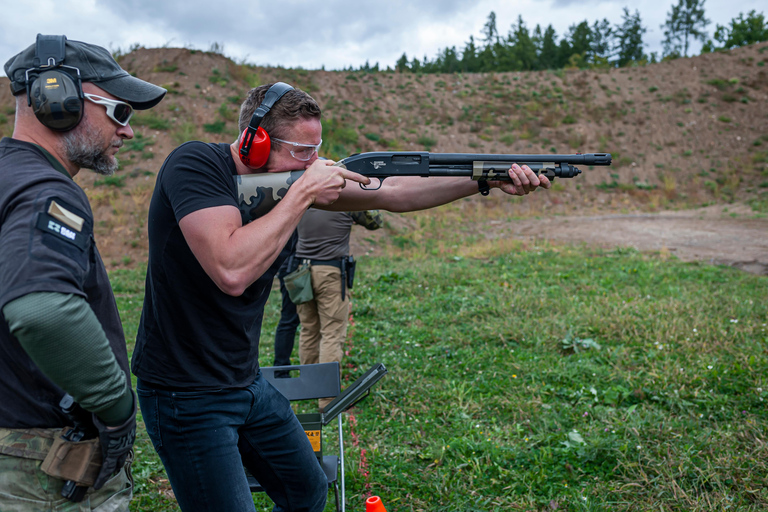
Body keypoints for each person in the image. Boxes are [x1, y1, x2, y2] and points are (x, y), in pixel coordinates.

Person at [131, 81, 550, 512]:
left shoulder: (290, 184)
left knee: (308, 491)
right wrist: (305, 193)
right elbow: (231, 269)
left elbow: (392, 194)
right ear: (254, 141)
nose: (314, 162)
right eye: (302, 151)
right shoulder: (195, 164)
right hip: (186, 393)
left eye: (318, 149)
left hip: (243, 379)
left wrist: (483, 180)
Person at [0, 35, 165, 510]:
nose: (128, 131)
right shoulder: (45, 190)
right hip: (39, 465)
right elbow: (42, 310)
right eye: (119, 112)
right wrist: (116, 409)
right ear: (58, 99)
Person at [295, 209, 382, 409]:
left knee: (308, 331)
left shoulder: (304, 193)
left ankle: (307, 389)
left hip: (302, 271)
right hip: (330, 273)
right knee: (332, 334)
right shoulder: (345, 199)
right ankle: (327, 399)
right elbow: (375, 221)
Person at [272, 229, 300, 377]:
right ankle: (281, 370)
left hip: (289, 267)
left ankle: (281, 370)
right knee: (289, 319)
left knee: (290, 320)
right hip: (294, 269)